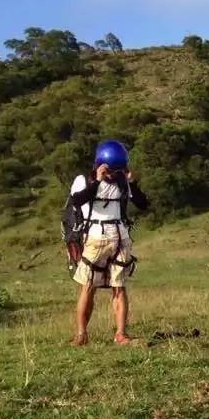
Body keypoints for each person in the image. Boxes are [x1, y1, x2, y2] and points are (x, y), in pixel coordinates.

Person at [69, 140, 149, 346]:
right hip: (96, 236)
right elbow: (77, 201)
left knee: (119, 286)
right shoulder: (85, 181)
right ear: (100, 164)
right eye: (111, 169)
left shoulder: (123, 181)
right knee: (88, 286)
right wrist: (97, 181)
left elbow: (143, 204)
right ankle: (81, 334)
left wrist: (131, 183)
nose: (114, 174)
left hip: (120, 237)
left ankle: (121, 334)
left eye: (118, 170)